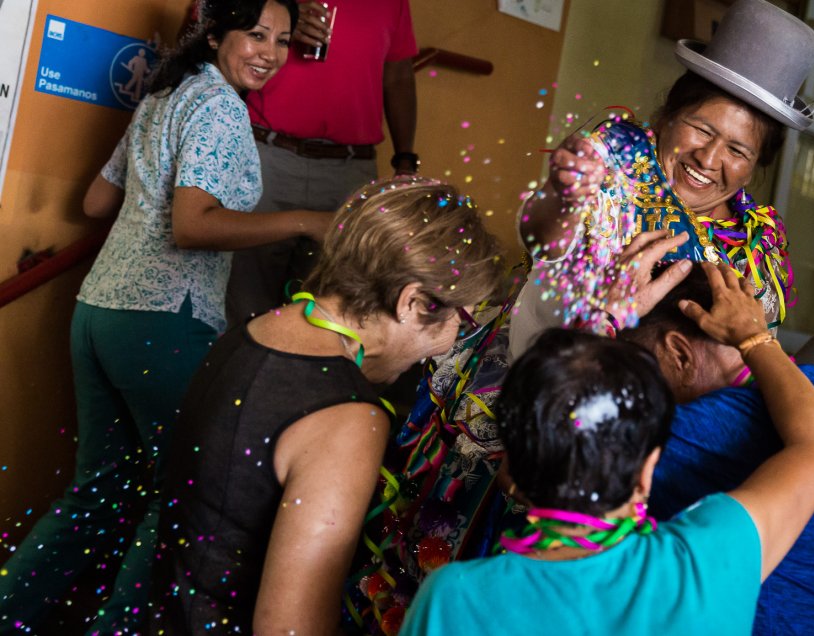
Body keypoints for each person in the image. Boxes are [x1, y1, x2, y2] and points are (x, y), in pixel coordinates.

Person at [0, 2, 329, 633]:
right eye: (255, 34)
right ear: (215, 34)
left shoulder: (165, 95)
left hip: (98, 312)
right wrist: (308, 220)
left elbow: (97, 201)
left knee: (95, 494)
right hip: (162, 319)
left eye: (284, 40)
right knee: (180, 495)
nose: (270, 52)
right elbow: (192, 224)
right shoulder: (221, 107)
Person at [400, 262, 814, 635]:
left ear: (511, 472)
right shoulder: (705, 564)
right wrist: (755, 338)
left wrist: (600, 327)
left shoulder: (452, 597)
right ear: (646, 471)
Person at [147, 178, 504, 634]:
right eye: (461, 317)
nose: (449, 344)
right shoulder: (347, 417)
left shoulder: (253, 333)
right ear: (411, 301)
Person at [510, 0, 814, 357]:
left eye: (737, 151)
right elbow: (540, 240)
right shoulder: (612, 168)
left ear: (755, 166)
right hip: (537, 390)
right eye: (701, 130)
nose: (707, 159)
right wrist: (562, 199)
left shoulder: (756, 247)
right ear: (667, 116)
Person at [620, 267, 814, 634]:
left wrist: (603, 317)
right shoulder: (812, 392)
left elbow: (547, 449)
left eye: (630, 372)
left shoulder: (706, 426)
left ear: (679, 354)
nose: (630, 393)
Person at [227, 0, 420, 323]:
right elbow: (215, 26)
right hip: (263, 155)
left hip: (349, 173)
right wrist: (282, 16)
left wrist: (405, 159)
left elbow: (398, 75)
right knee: (240, 304)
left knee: (327, 313)